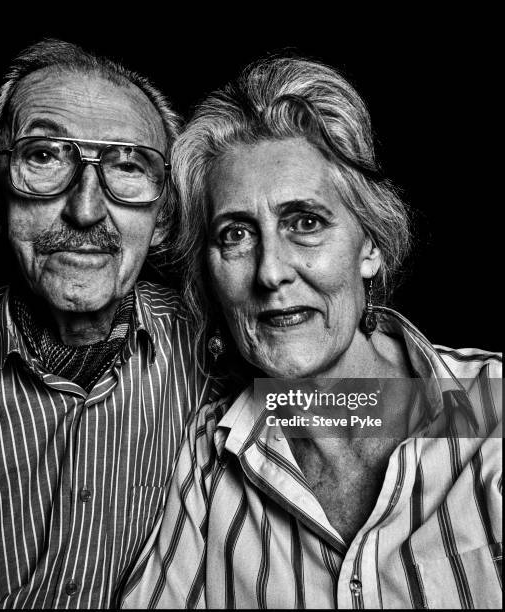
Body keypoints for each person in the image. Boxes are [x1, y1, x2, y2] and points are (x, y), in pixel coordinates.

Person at [120, 57, 503, 609]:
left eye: (305, 222)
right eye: (236, 234)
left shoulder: (493, 409)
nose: (270, 271)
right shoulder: (205, 463)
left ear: (369, 245)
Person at [0, 39, 222, 608]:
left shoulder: (216, 347)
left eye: (128, 167)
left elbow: (375, 412)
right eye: (45, 157)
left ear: (164, 218)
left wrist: (427, 389)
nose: (85, 210)